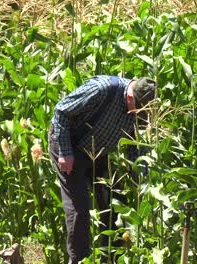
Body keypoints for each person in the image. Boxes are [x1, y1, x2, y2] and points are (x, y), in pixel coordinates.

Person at [48, 75, 156, 263]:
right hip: (69, 146)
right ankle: (79, 260)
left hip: (99, 152)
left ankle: (110, 257)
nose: (143, 117)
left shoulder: (140, 107)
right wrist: (65, 152)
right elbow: (61, 112)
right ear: (130, 97)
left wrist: (140, 175)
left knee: (114, 200)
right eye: (141, 112)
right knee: (79, 210)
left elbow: (135, 144)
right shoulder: (102, 89)